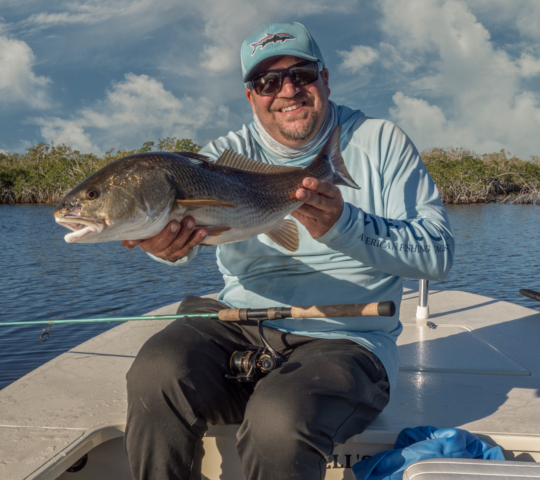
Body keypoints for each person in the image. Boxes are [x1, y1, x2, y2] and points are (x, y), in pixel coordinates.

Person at [122, 21, 454, 480]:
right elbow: (183, 238)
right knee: (154, 373)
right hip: (239, 325)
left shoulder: (381, 142)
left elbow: (438, 255)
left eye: (302, 74)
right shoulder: (217, 157)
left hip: (349, 338)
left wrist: (345, 224)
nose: (288, 90)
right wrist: (165, 247)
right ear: (251, 96)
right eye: (268, 82)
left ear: (325, 78)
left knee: (278, 419)